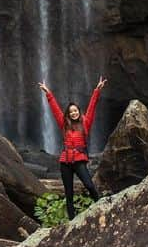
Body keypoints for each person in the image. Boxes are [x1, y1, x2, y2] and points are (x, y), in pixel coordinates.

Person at [38, 76, 106, 220]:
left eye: (75, 111)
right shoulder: (64, 125)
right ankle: (72, 221)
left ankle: (102, 208)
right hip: (65, 162)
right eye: (71, 112)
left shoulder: (86, 122)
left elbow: (92, 107)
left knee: (89, 185)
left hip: (79, 160)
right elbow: (56, 110)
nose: (74, 113)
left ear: (79, 112)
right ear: (68, 115)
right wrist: (48, 93)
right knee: (68, 193)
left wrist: (97, 90)